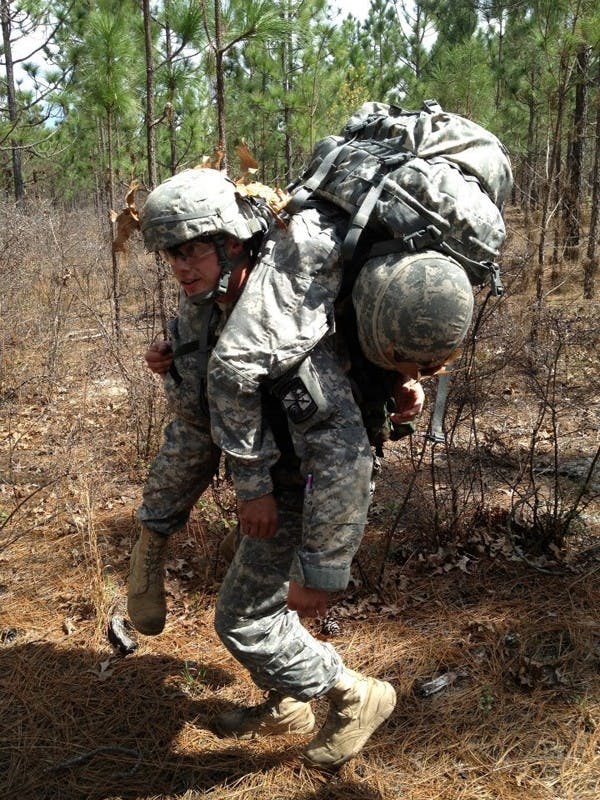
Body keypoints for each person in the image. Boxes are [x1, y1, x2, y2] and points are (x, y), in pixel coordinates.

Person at [128, 166, 474, 769]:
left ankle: (355, 695)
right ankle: (287, 701)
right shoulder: (214, 305)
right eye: (172, 255)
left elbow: (342, 451)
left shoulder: (285, 324)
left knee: (243, 620)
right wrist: (175, 365)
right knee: (254, 600)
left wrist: (324, 566)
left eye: (193, 252)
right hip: (274, 481)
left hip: (303, 487)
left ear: (231, 243)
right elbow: (203, 414)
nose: (182, 267)